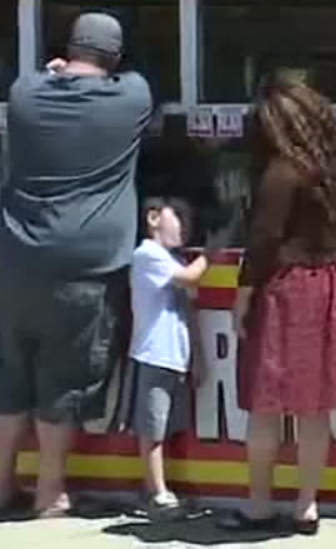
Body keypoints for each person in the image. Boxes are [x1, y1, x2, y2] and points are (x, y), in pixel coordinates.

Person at [0, 12, 152, 518]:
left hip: (19, 257)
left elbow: (38, 77)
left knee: (13, 371)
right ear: (115, 59)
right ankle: (50, 490)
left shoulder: (25, 94)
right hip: (88, 265)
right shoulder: (131, 98)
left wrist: (54, 71)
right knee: (64, 379)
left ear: (67, 48)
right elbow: (136, 80)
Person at [223, 71, 336, 534]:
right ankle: (307, 506)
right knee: (316, 408)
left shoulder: (281, 172)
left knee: (266, 405)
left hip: (289, 290)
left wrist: (243, 295)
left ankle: (258, 505)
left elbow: (264, 239)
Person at [127, 196, 208, 515]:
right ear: (154, 217)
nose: (185, 227)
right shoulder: (147, 254)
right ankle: (155, 492)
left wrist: (198, 356)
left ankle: (161, 487)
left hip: (177, 357)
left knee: (169, 428)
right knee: (152, 430)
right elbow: (191, 278)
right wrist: (211, 253)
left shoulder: (173, 259)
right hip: (152, 355)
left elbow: (189, 308)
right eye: (179, 217)